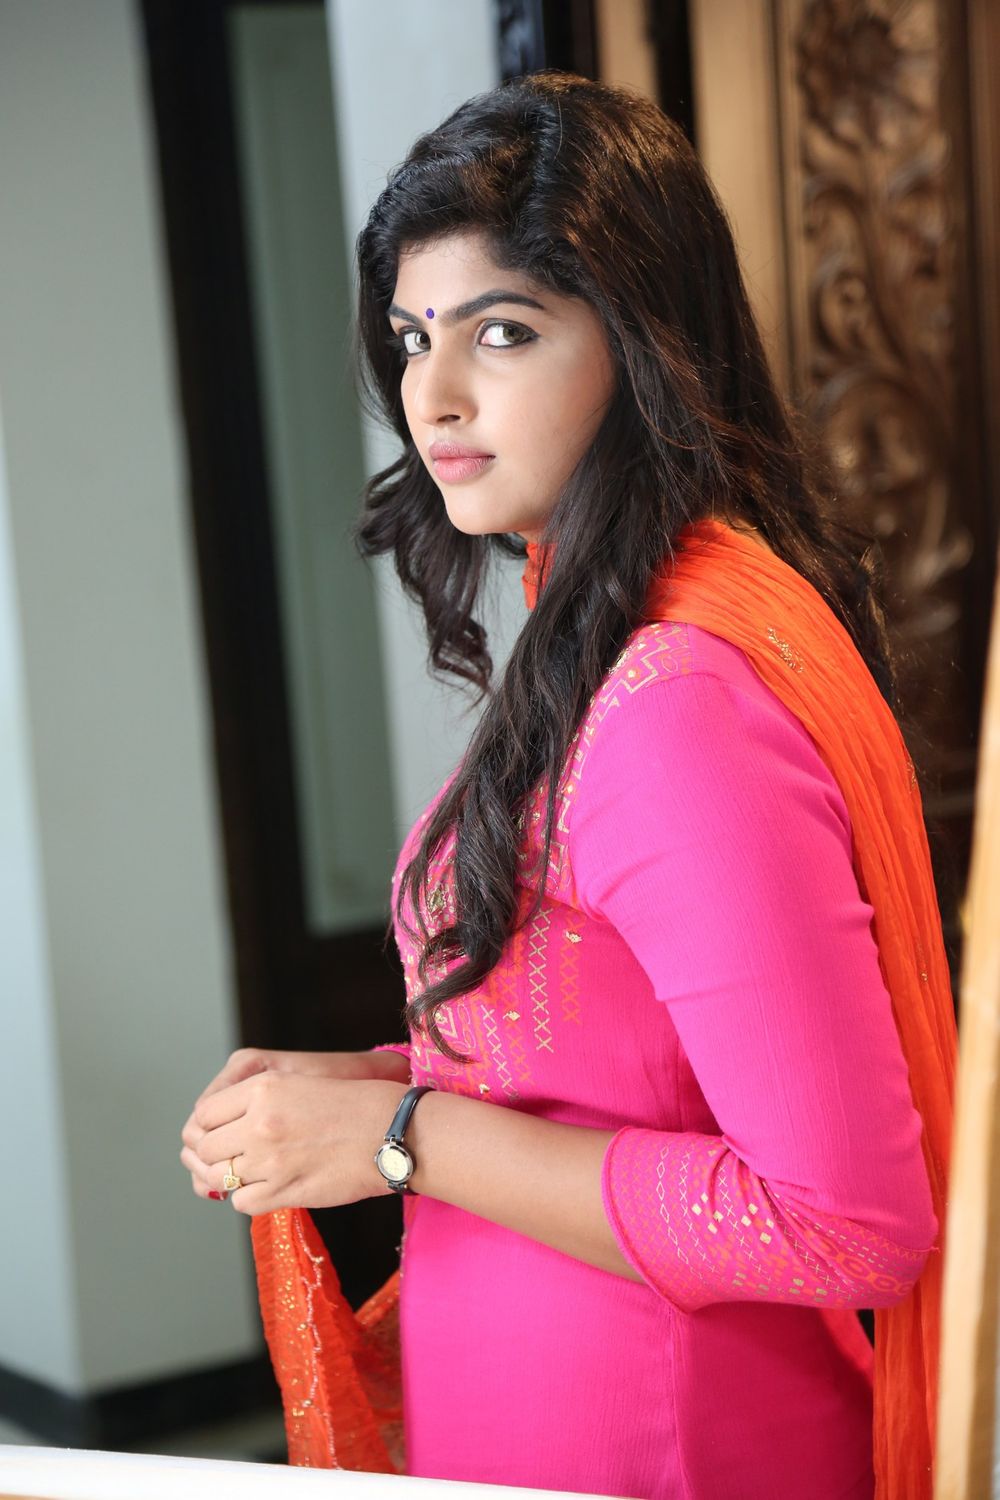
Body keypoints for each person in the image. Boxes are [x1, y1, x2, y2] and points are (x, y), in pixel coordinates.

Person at [180, 70, 957, 1500]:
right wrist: (378, 1089)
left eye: (505, 330)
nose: (432, 395)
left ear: (645, 347)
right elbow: (621, 1067)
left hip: (673, 1448)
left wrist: (405, 1139)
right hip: (551, 1432)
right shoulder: (595, 641)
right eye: (413, 337)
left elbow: (843, 1221)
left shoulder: (676, 707)